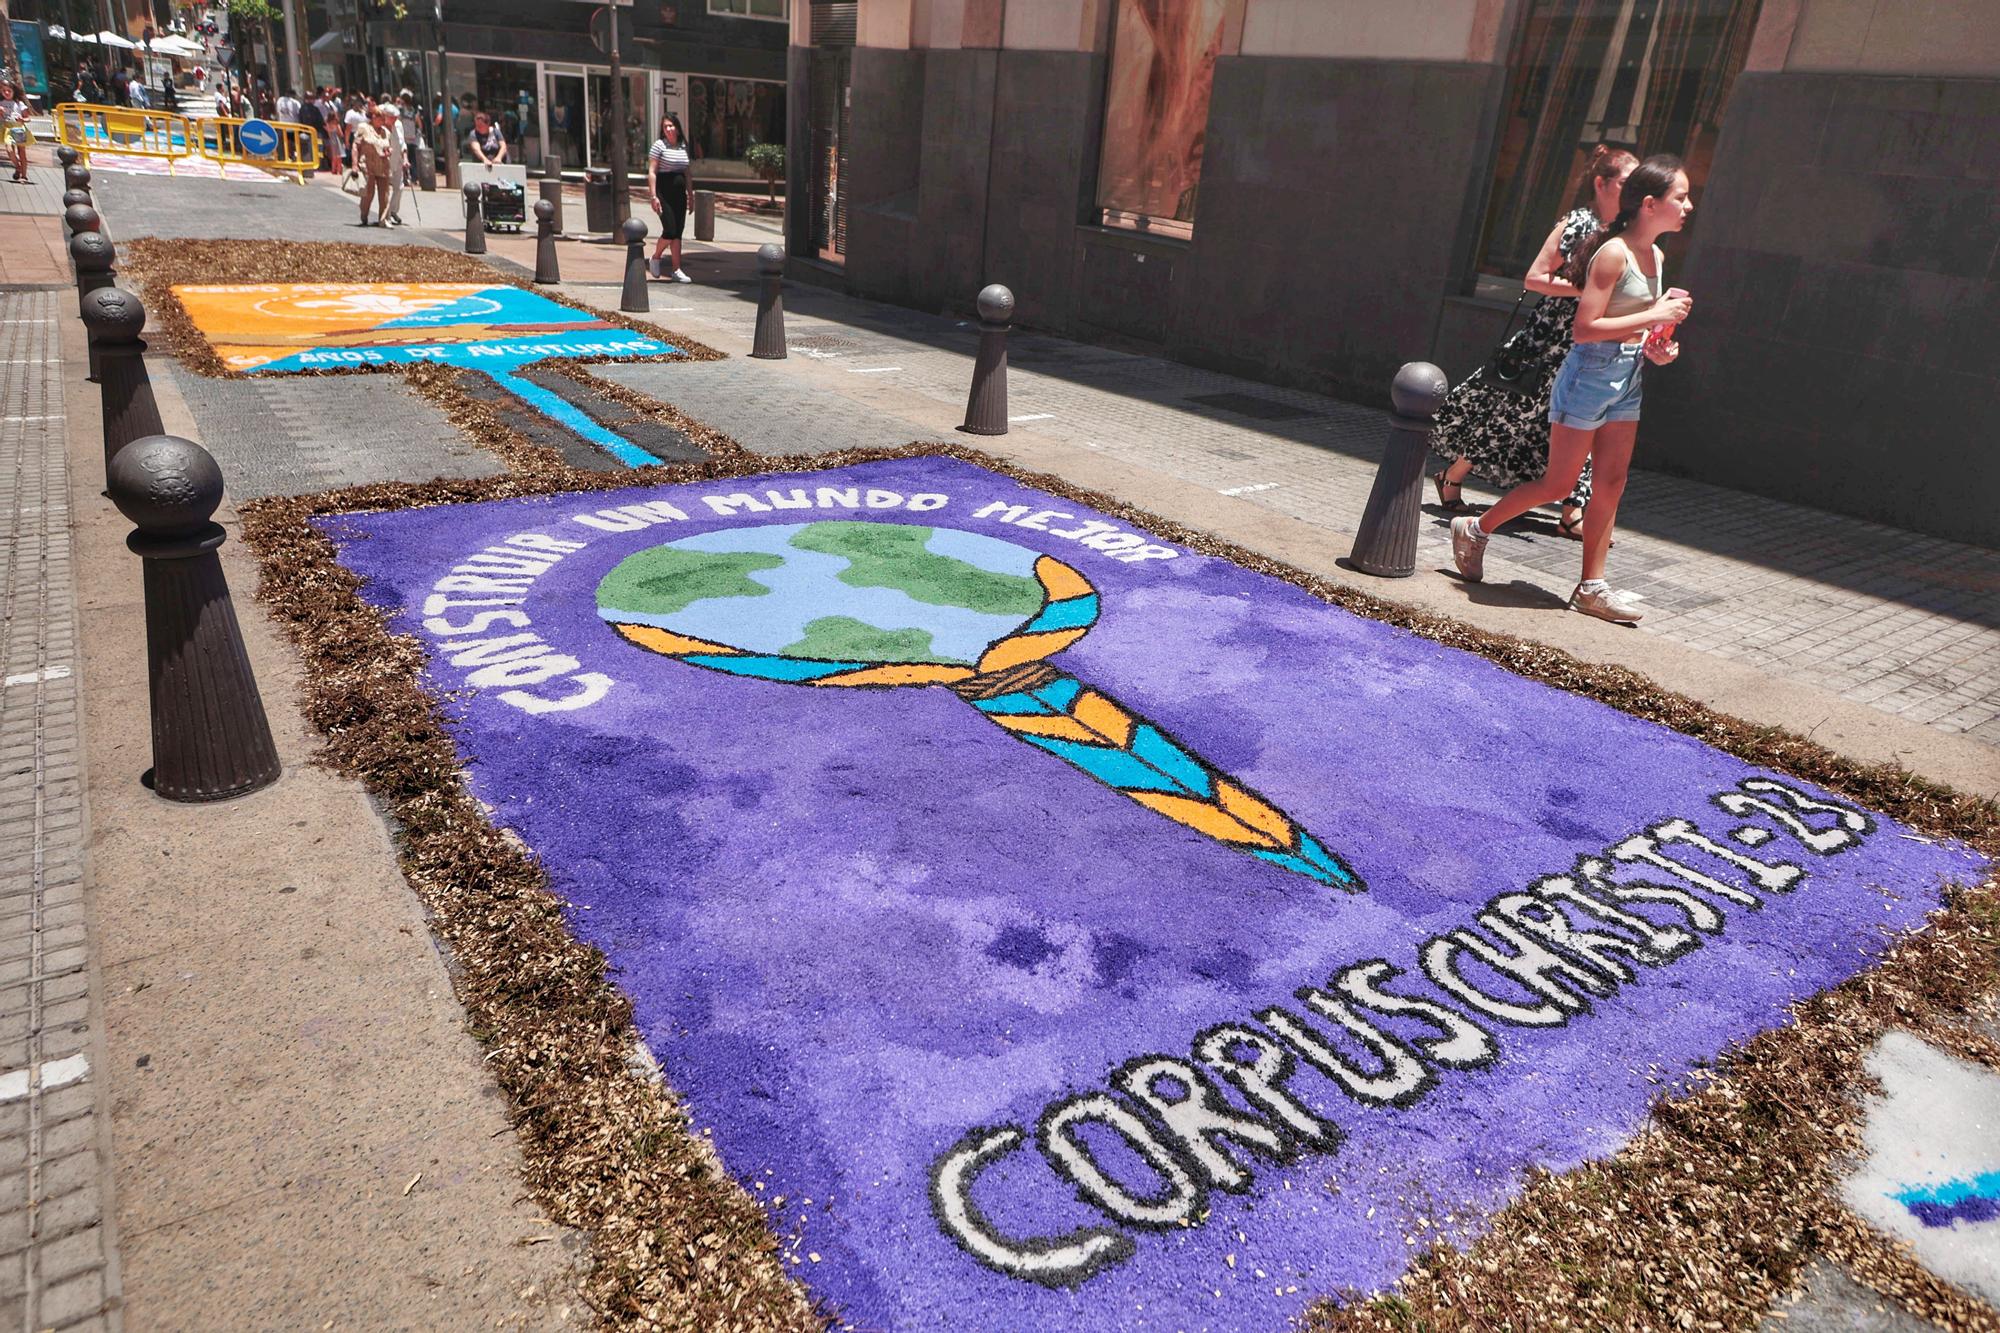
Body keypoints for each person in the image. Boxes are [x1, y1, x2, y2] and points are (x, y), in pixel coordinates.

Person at [1451, 155, 1694, 625]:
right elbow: (1585, 329)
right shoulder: (1613, 253)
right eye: (1680, 198)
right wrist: (1653, 318)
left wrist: (1657, 348)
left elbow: (1635, 329)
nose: (1688, 207)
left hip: (1627, 379)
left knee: (1611, 482)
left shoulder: (1656, 256)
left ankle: (1591, 587)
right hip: (1588, 376)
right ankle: (1476, 527)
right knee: (1559, 484)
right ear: (1649, 203)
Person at [1430, 145, 1637, 539]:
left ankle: (1572, 510)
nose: (1631, 191)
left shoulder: (1626, 235)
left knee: (1587, 422)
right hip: (1548, 342)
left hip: (1591, 345)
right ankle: (1452, 474)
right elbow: (1534, 278)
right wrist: (1586, 291)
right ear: (1602, 183)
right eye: (1626, 182)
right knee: (1513, 416)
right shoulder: (1577, 223)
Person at [646, 113, 695, 282]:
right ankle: (656, 257)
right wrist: (653, 196)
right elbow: (652, 172)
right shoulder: (659, 145)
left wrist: (691, 195)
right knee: (670, 230)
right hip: (663, 191)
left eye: (670, 125)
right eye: (665, 126)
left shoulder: (683, 146)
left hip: (679, 193)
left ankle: (676, 269)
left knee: (678, 233)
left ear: (677, 127)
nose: (668, 129)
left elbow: (687, 173)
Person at [349, 103, 393, 226]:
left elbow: (388, 146)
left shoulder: (386, 132)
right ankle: (364, 214)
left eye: (384, 118)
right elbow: (355, 146)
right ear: (373, 117)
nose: (382, 121)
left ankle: (383, 219)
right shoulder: (363, 127)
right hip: (368, 165)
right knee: (368, 193)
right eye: (380, 117)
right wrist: (354, 164)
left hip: (383, 165)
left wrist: (388, 151)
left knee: (384, 194)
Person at [380, 98, 408, 225]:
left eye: (396, 117)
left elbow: (402, 144)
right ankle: (386, 214)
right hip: (385, 162)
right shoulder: (379, 127)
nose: (395, 119)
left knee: (399, 187)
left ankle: (393, 210)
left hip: (397, 160)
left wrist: (405, 159)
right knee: (386, 189)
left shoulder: (398, 125)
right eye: (393, 117)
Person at [1, 80, 31, 184]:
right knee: (9, 150)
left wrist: (22, 119)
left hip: (18, 129)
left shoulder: (19, 104)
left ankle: (24, 175)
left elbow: (28, 118)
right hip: (8, 129)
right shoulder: (1, 104)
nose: (7, 93)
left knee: (21, 152)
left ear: (14, 91)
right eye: (4, 91)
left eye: (9, 90)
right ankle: (18, 167)